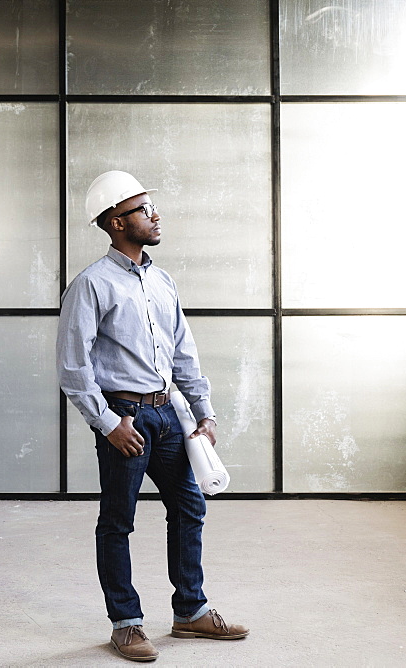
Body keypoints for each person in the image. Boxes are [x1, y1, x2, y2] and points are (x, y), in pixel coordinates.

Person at [57, 171, 249, 662]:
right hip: (126, 420)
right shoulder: (90, 285)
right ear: (117, 222)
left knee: (190, 508)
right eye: (145, 209)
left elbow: (183, 350)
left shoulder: (162, 281)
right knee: (117, 521)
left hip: (170, 418)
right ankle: (126, 623)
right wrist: (107, 423)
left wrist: (202, 412)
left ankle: (190, 612)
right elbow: (73, 365)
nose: (156, 215)